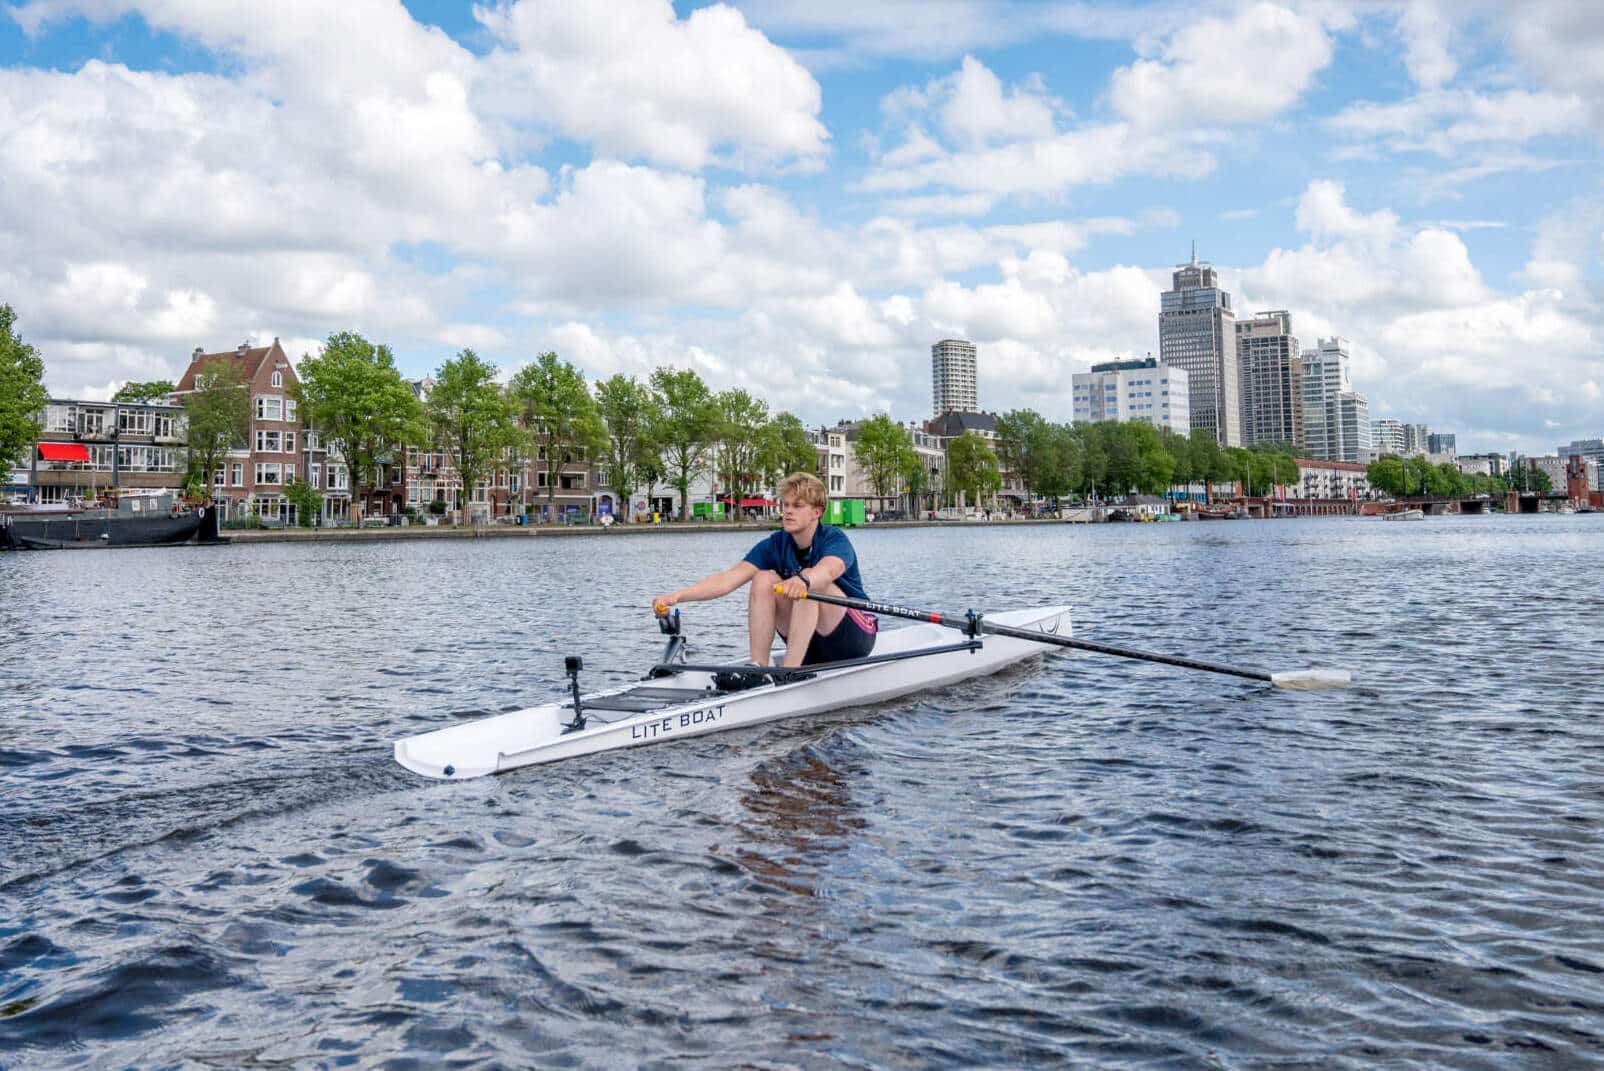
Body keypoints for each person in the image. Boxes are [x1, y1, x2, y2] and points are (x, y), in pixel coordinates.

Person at [652, 472, 876, 668]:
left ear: (817, 512)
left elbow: (829, 569)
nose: (787, 512)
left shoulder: (834, 538)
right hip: (809, 643)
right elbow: (727, 580)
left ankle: (790, 673)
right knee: (763, 578)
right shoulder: (775, 544)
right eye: (785, 505)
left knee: (811, 583)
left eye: (797, 506)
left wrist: (804, 581)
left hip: (854, 638)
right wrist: (677, 596)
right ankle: (759, 668)